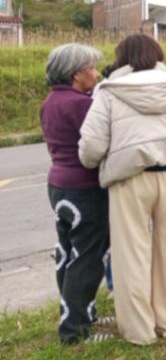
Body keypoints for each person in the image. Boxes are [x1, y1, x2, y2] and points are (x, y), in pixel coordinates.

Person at [79, 34, 166, 345]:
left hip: (129, 179)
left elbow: (91, 147)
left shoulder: (107, 93)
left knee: (131, 253)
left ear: (121, 58)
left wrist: (97, 160)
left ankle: (139, 329)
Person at [41, 44, 112, 344]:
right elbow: (99, 145)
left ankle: (81, 313)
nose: (96, 74)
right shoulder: (82, 105)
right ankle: (75, 332)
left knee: (68, 251)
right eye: (91, 68)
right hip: (84, 188)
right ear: (76, 74)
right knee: (87, 256)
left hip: (58, 185)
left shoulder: (50, 102)